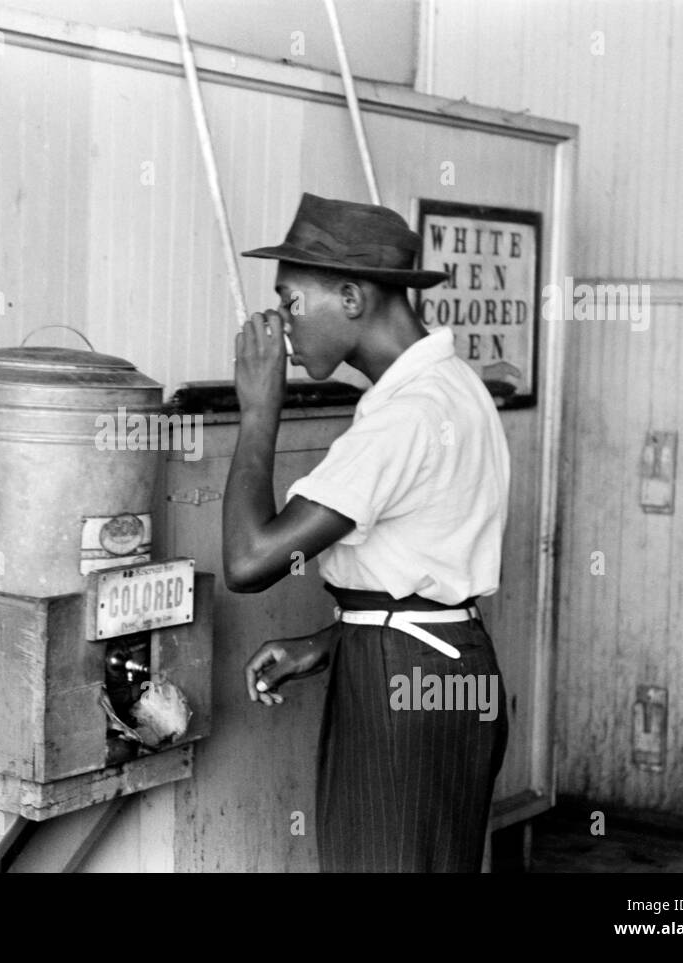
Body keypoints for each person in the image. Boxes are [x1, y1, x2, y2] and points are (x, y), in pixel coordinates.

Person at [222, 192, 511, 872]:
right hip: (451, 664)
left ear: (351, 297)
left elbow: (248, 558)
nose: (282, 326)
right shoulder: (455, 386)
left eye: (290, 301)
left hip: (402, 682)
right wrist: (329, 645)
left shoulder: (405, 417)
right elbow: (426, 573)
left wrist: (259, 410)